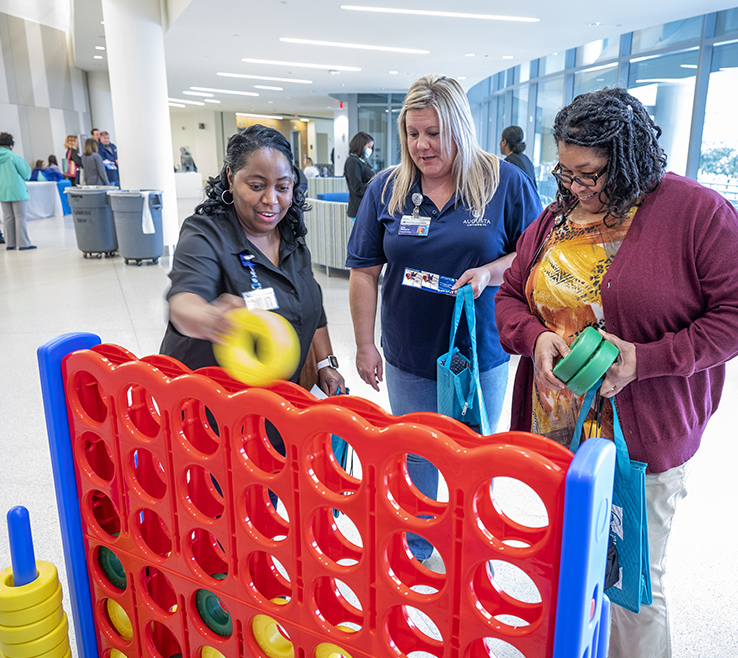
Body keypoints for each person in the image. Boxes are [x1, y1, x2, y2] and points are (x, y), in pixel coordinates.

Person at [494, 88, 738, 658]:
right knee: (568, 568)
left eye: (590, 173)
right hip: (558, 432)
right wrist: (535, 337)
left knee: (631, 590)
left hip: (639, 440)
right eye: (565, 171)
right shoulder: (555, 219)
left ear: (629, 159)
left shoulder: (695, 212)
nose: (575, 187)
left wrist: (645, 359)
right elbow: (510, 295)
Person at [346, 75, 542, 562]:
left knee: (472, 455)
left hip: (480, 352)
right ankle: (414, 549)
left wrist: (490, 272)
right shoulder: (387, 189)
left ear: (459, 128)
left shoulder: (504, 182)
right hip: (408, 352)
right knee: (414, 456)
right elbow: (364, 273)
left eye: (433, 132)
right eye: (412, 133)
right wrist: (365, 345)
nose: (421, 145)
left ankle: (469, 549)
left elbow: (534, 257)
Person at [160, 124, 345, 401]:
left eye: (282, 187)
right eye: (257, 186)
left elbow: (311, 303)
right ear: (231, 178)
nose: (271, 200)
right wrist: (212, 319)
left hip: (274, 402)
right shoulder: (205, 233)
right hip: (209, 408)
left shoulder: (290, 234)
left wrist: (324, 363)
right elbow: (183, 302)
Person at [0, 132, 36, 250]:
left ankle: (10, 243)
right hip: (17, 190)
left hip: (2, 190)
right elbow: (26, 174)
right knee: (20, 217)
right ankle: (23, 243)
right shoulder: (14, 156)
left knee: (8, 217)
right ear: (11, 145)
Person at [344, 131, 375, 220]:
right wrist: (374, 186)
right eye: (369, 147)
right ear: (361, 145)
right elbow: (357, 188)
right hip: (358, 208)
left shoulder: (362, 161)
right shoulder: (352, 161)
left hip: (366, 207)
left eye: (371, 147)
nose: (370, 150)